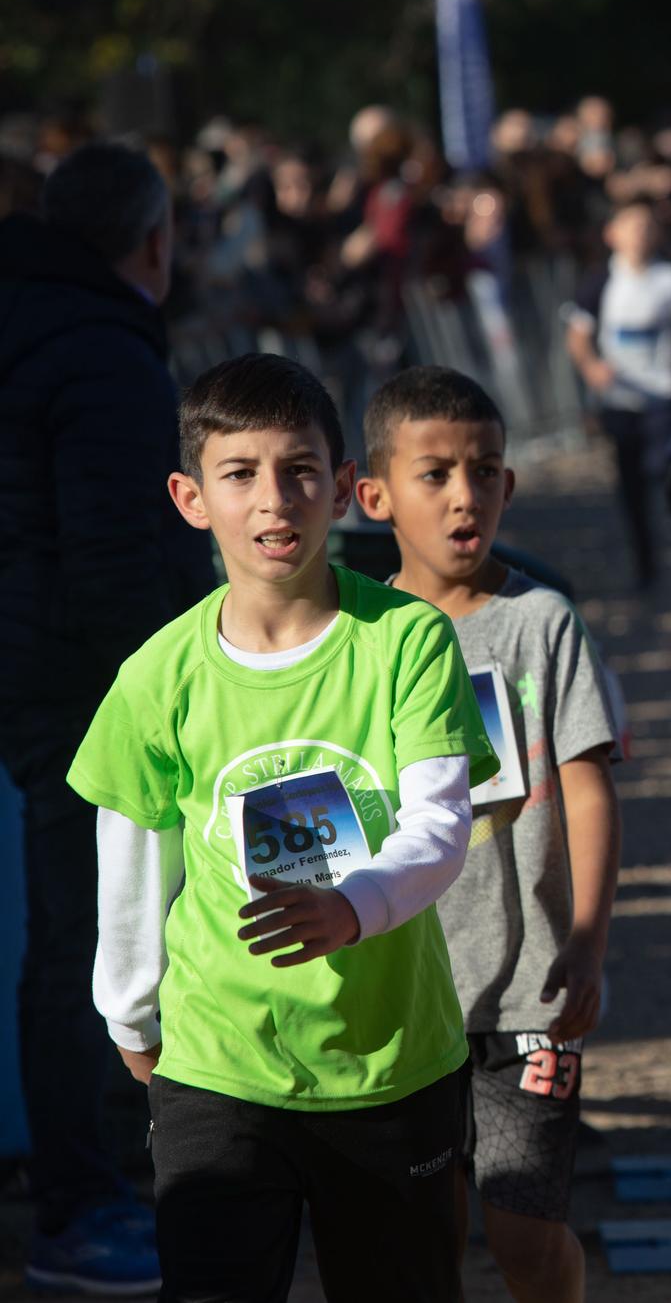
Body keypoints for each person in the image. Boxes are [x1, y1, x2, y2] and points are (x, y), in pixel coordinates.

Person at [68, 353, 500, 1301]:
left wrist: (354, 906)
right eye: (241, 473)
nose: (275, 498)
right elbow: (134, 857)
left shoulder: (408, 639)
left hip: (394, 1064)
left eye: (301, 469)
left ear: (344, 487)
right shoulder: (157, 675)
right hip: (216, 1063)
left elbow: (440, 824)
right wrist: (130, 1009)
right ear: (190, 497)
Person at [355, 366, 620, 1303]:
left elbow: (587, 790)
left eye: (485, 470)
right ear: (374, 492)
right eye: (435, 473)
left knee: (524, 1226)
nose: (465, 494)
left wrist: (586, 943)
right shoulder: (359, 636)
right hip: (401, 993)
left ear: (509, 484)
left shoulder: (542, 624)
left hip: (528, 992)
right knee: (429, 1231)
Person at [0, 140, 213, 1295]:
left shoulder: (32, 318)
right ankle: (82, 1204)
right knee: (92, 934)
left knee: (82, 930)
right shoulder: (102, 349)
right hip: (83, 685)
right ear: (152, 242)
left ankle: (99, 1185)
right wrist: (170, 693)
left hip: (34, 670)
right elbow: (115, 552)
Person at [563, 197, 671, 588]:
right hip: (619, 399)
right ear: (611, 234)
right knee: (630, 484)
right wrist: (592, 367)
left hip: (663, 394)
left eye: (646, 226)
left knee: (664, 471)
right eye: (629, 226)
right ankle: (645, 560)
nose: (638, 235)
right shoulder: (599, 281)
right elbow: (577, 337)